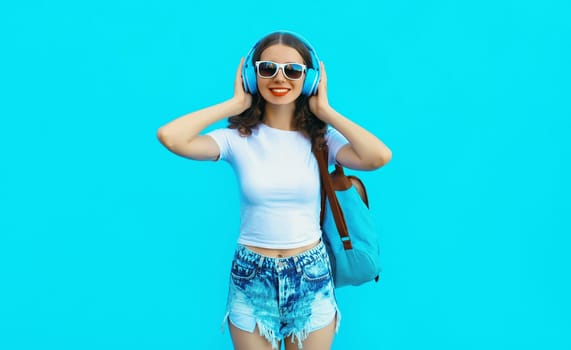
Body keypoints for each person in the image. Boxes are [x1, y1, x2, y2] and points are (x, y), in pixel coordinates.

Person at [157, 31, 392, 350]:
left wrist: (326, 111)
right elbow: (171, 137)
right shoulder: (236, 139)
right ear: (252, 75)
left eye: (293, 71)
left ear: (309, 79)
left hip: (311, 274)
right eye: (267, 68)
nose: (279, 78)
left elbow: (378, 156)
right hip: (250, 275)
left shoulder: (322, 139)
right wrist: (235, 103)